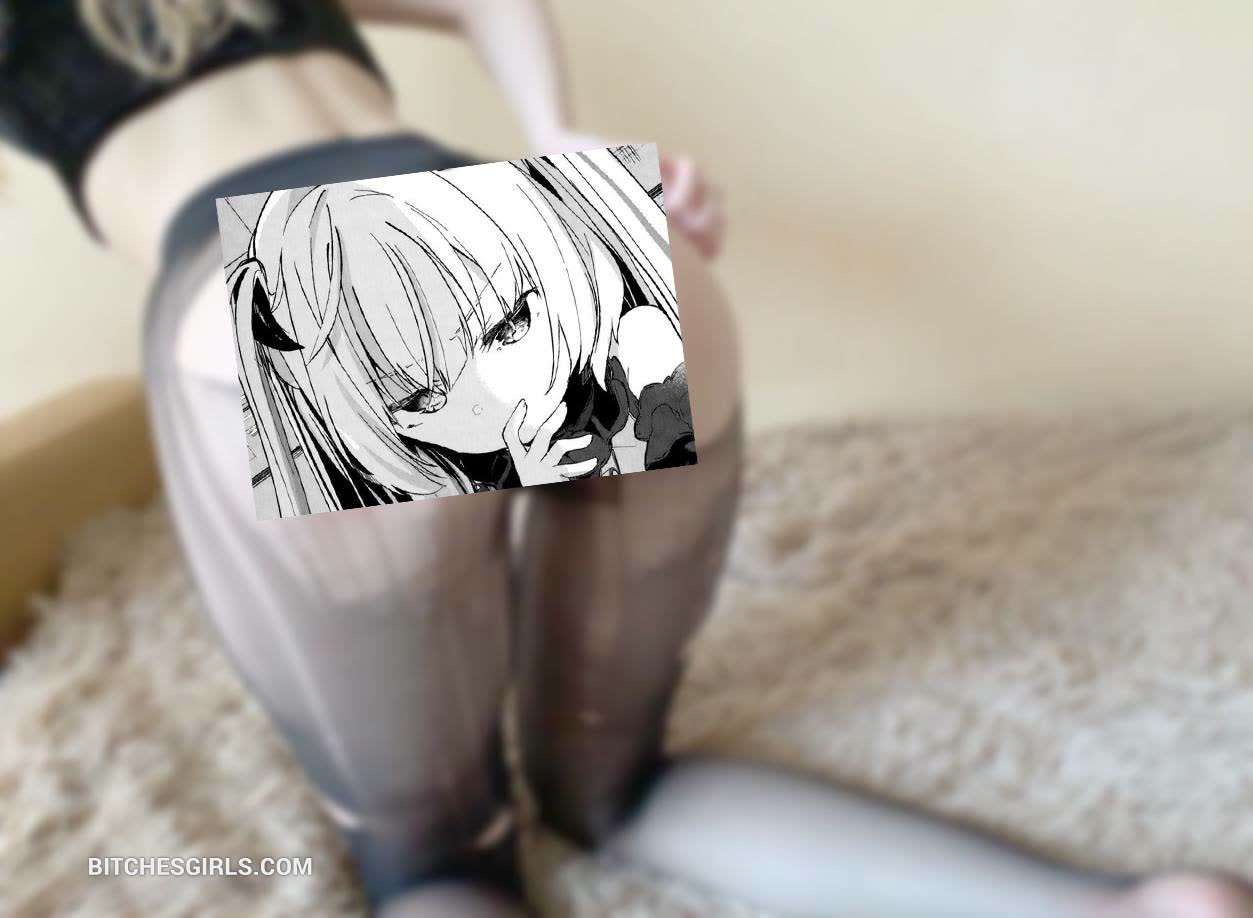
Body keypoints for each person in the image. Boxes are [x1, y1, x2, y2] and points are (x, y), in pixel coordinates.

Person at [1, 2, 1248, 916]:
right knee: (616, 785)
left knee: (433, 862)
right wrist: (560, 137)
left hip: (311, 301)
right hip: (563, 239)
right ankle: (1122, 908)